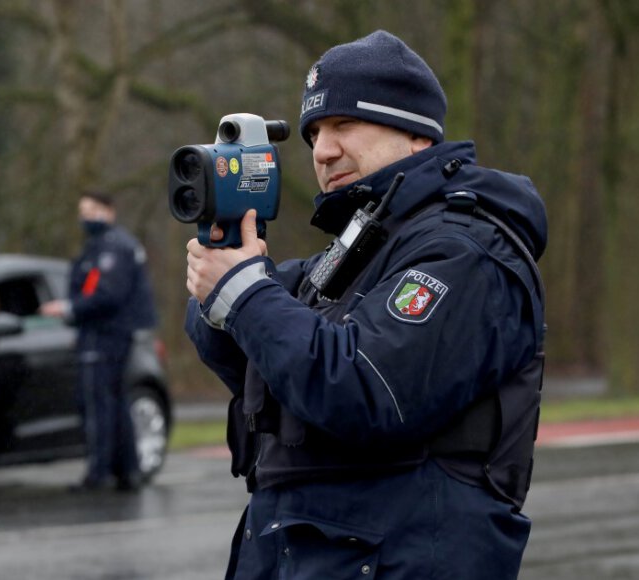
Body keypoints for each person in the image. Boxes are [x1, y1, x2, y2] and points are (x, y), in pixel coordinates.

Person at [184, 30, 546, 579]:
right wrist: (224, 266)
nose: (323, 151)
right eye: (312, 135)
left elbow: (364, 386)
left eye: (344, 125)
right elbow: (263, 363)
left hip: (401, 556)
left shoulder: (466, 250)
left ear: (416, 135)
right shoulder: (353, 251)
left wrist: (243, 292)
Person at [41, 191, 158, 492]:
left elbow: (108, 294)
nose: (86, 217)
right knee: (115, 403)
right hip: (102, 334)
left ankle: (100, 473)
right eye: (83, 210)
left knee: (99, 405)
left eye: (92, 209)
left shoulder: (113, 248)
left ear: (109, 211)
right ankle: (126, 471)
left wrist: (68, 308)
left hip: (106, 336)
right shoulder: (101, 247)